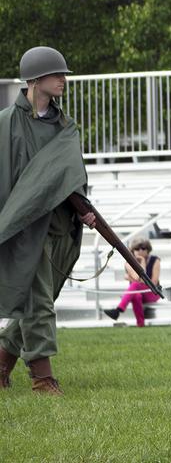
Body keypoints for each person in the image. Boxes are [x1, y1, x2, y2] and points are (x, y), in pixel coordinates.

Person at [0, 46, 97, 395]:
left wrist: (82, 208)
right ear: (35, 79)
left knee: (40, 296)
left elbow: (69, 176)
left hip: (58, 225)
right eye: (57, 75)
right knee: (38, 301)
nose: (63, 80)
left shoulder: (64, 126)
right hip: (25, 228)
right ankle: (42, 378)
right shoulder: (6, 123)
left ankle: (1, 365)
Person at [103, 238, 161, 327]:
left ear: (148, 249)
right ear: (133, 250)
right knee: (136, 295)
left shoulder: (155, 260)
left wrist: (142, 262)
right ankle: (140, 324)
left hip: (152, 293)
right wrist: (134, 278)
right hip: (136, 292)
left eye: (143, 248)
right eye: (137, 248)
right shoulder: (128, 263)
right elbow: (138, 278)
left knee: (135, 284)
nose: (140, 250)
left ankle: (118, 310)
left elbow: (153, 282)